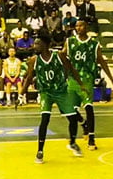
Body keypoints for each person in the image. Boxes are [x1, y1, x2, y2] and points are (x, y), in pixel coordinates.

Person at [23, 34, 88, 163]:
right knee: (44, 119)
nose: (34, 46)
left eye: (37, 43)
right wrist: (22, 92)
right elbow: (29, 76)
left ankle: (73, 142)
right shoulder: (34, 60)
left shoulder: (59, 56)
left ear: (45, 45)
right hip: (45, 93)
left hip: (61, 92)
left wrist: (81, 84)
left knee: (72, 118)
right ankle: (40, 151)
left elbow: (72, 70)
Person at [63, 20, 113, 150]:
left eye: (81, 25)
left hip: (87, 79)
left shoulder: (94, 44)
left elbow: (102, 62)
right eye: (76, 26)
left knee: (89, 108)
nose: (78, 28)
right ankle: (83, 124)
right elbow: (62, 56)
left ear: (86, 27)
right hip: (72, 79)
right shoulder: (70, 41)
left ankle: (92, 139)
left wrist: (112, 80)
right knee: (69, 110)